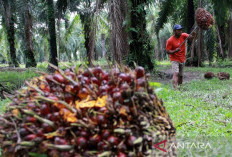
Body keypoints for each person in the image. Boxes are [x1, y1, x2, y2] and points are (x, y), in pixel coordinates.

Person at [166, 24, 195, 89]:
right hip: (174, 59)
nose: (180, 31)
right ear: (174, 31)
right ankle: (175, 88)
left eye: (181, 30)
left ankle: (180, 88)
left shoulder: (183, 35)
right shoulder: (170, 40)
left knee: (181, 75)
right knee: (176, 73)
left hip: (182, 59)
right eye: (178, 30)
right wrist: (174, 51)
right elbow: (167, 51)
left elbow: (190, 38)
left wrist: (193, 35)